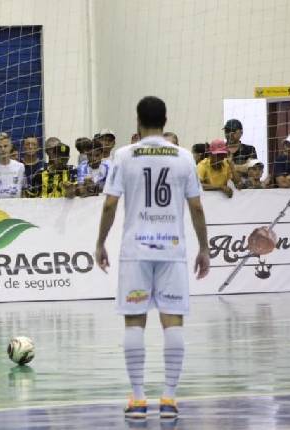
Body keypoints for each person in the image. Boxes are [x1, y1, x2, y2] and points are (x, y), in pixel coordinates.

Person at [95, 96, 209, 420]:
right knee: (172, 320)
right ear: (166, 120)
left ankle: (139, 398)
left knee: (135, 321)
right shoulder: (184, 157)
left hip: (136, 251)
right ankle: (170, 398)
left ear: (137, 120)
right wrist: (204, 248)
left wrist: (100, 243)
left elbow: (109, 205)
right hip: (172, 249)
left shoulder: (124, 155)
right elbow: (197, 207)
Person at [0, 132, 25, 199]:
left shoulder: (20, 167)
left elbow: (23, 190)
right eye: (0, 147)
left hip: (16, 206)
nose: (3, 149)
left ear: (10, 146)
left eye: (5, 146)